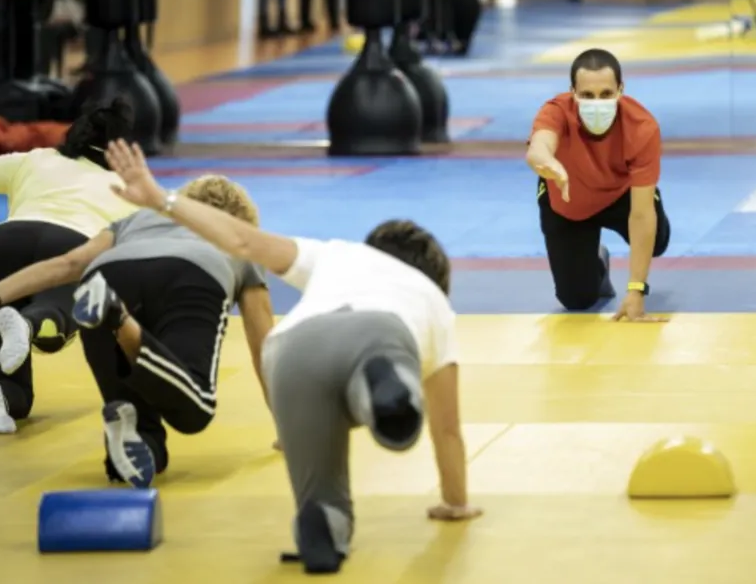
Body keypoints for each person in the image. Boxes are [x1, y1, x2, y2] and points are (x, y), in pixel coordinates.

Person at [100, 139, 481, 574]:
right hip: (377, 335)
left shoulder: (336, 254)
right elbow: (447, 430)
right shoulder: (432, 300)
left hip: (292, 353)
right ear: (435, 279)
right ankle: (383, 385)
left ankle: (325, 525)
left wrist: (162, 199)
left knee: (322, 496)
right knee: (377, 381)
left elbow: (241, 239)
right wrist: (456, 502)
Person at [0, 175, 274, 489]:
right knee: (194, 409)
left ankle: (117, 319)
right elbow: (264, 344)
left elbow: (68, 263)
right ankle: (119, 317)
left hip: (108, 275)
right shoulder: (240, 236)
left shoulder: (138, 220)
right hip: (189, 276)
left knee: (136, 428)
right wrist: (287, 426)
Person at [0, 100, 136, 435]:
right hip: (71, 245)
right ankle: (29, 323)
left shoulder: (36, 159)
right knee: (71, 312)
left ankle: (2, 396)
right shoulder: (130, 186)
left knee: (17, 391)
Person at [525, 48, 671, 321]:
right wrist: (548, 162)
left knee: (657, 240)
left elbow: (640, 214)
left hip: (621, 195)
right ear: (572, 93)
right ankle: (598, 260)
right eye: (587, 96)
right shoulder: (555, 111)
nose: (597, 103)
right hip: (568, 202)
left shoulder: (642, 127)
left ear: (620, 90)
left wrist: (636, 290)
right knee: (576, 300)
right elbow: (539, 146)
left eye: (606, 94)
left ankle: (649, 213)